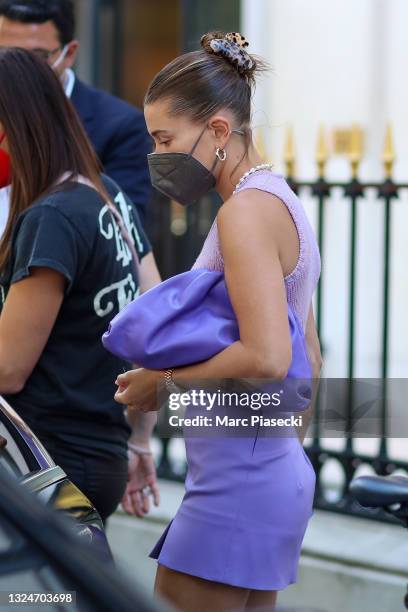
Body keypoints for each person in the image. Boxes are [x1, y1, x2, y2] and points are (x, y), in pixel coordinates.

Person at [114, 31, 323, 612]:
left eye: (165, 139)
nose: (157, 156)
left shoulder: (246, 214)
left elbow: (268, 357)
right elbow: (310, 357)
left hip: (239, 480)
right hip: (266, 469)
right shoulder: (280, 201)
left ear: (219, 132)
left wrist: (164, 385)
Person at [0, 47, 161, 523]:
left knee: (41, 600)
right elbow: (154, 325)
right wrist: (139, 438)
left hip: (48, 462)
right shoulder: (104, 190)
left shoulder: (52, 216)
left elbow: (8, 369)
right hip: (99, 452)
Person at [0, 0, 152, 224]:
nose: (18, 70)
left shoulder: (120, 127)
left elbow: (124, 229)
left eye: (37, 57)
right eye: (6, 54)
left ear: (69, 53)